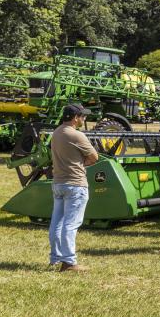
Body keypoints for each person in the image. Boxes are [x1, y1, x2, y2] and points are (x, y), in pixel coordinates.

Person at [49, 104, 98, 272]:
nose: (84, 119)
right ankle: (69, 262)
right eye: (82, 116)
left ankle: (55, 257)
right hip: (75, 184)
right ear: (75, 117)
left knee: (57, 222)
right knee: (70, 224)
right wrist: (81, 164)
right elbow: (94, 157)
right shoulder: (77, 135)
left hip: (58, 183)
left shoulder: (56, 133)